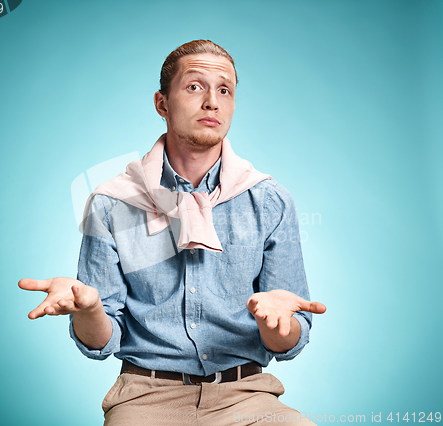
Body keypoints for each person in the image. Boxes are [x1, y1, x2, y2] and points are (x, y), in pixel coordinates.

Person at [19, 40, 326, 426]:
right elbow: (100, 341)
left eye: (225, 90)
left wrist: (276, 325)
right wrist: (91, 309)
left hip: (246, 397)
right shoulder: (113, 202)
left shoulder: (269, 201)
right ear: (162, 104)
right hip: (145, 399)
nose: (212, 101)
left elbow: (290, 342)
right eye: (195, 86)